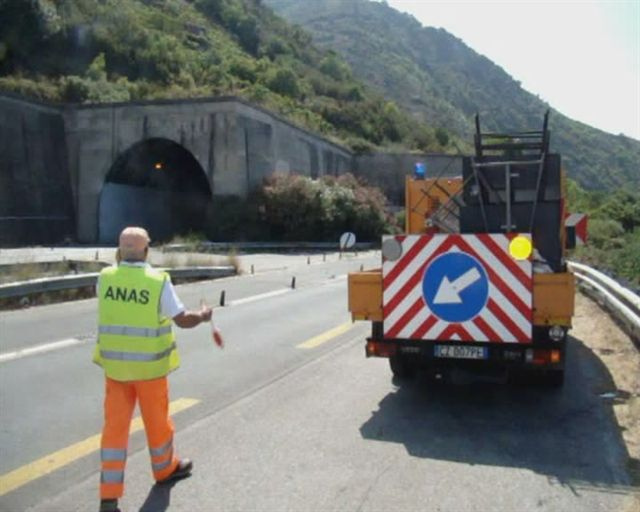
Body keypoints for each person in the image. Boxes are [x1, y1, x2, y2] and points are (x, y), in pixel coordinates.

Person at [94, 227, 212, 512]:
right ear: (147, 250)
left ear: (119, 251)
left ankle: (108, 498)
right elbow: (182, 319)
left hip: (116, 370)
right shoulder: (157, 281)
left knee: (114, 431)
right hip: (149, 370)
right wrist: (204, 316)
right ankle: (165, 470)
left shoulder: (105, 278)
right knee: (157, 424)